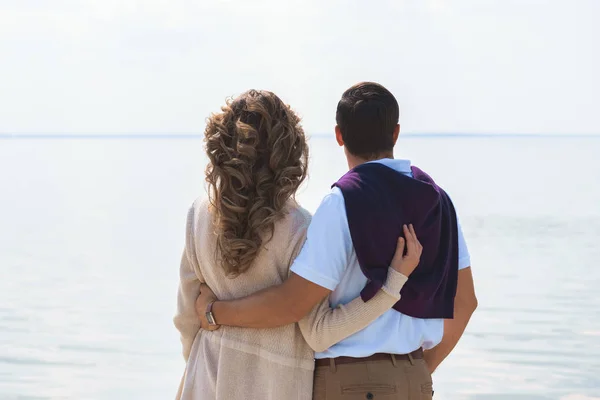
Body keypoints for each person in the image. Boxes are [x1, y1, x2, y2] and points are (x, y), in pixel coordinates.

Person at [195, 82, 478, 400]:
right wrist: (423, 369)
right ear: (396, 133)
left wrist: (213, 312)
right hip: (415, 379)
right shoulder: (439, 201)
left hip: (351, 382)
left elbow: (292, 304)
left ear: (339, 135)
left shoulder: (342, 201)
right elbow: (466, 303)